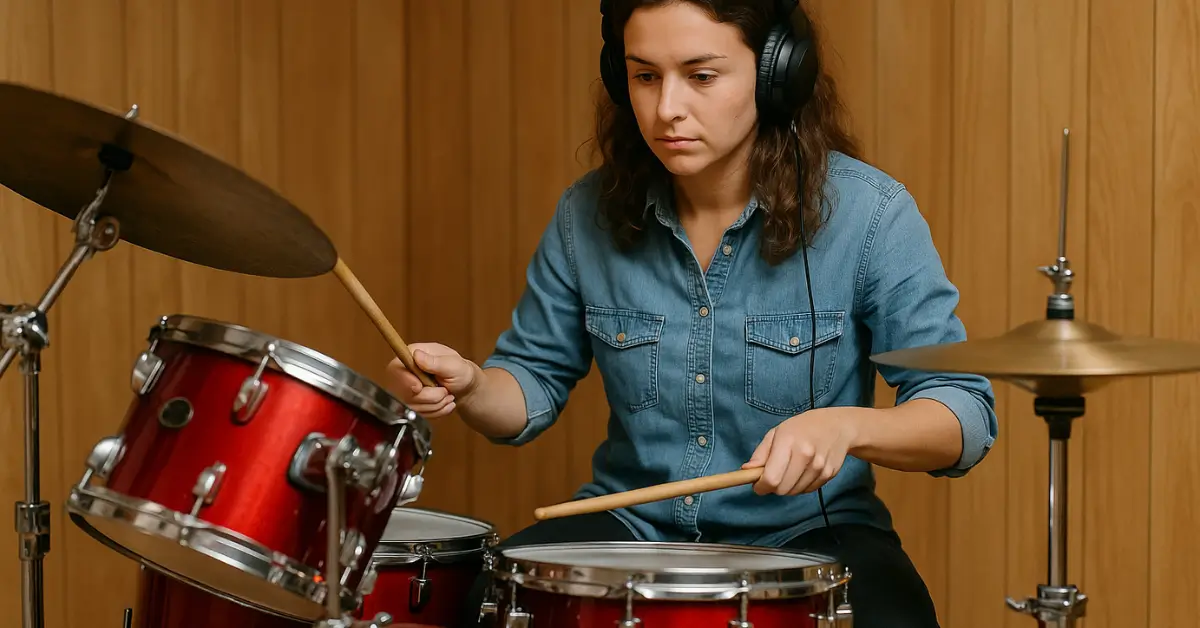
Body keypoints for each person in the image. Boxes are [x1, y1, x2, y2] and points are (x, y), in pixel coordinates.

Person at [383, 1, 998, 626]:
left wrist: (845, 427)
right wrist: (473, 385)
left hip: (812, 536)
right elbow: (530, 385)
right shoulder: (585, 214)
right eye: (645, 76)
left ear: (776, 73)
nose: (666, 108)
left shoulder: (871, 215)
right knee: (481, 604)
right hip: (631, 526)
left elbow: (962, 415)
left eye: (701, 76)